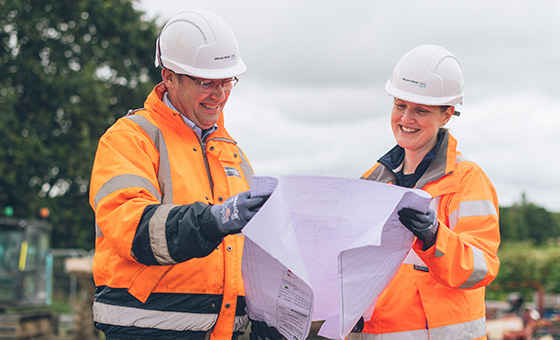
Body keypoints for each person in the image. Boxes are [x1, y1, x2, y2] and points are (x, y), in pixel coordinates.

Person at [89, 10, 270, 340]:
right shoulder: (130, 139)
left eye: (227, 81)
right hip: (149, 329)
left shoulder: (232, 152)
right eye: (206, 83)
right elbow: (132, 227)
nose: (220, 95)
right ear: (169, 76)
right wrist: (211, 221)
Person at [349, 45, 500, 340]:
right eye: (400, 105)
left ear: (446, 115)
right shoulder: (370, 182)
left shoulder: (468, 180)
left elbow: (481, 268)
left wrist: (435, 237)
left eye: (421, 110)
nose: (406, 118)